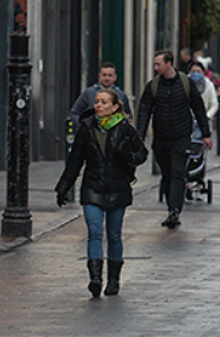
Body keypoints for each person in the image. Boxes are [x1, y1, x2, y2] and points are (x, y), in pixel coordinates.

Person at [55, 89, 148, 298]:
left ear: (115, 107)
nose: (98, 105)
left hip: (117, 187)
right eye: (97, 102)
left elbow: (142, 154)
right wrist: (63, 186)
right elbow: (75, 161)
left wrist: (127, 156)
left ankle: (114, 280)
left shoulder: (125, 128)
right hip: (92, 187)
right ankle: (95, 278)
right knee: (95, 232)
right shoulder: (86, 128)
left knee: (114, 235)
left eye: (104, 102)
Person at [136, 50, 212, 229]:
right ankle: (172, 208)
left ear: (169, 64)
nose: (156, 68)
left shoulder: (186, 84)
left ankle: (174, 211)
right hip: (161, 138)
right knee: (167, 174)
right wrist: (139, 137)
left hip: (181, 137)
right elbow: (144, 110)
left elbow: (199, 108)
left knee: (178, 172)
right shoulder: (153, 86)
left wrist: (206, 134)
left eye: (158, 64)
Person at [189, 62, 219, 136]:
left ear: (203, 72)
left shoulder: (209, 85)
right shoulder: (184, 83)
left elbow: (214, 104)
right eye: (193, 71)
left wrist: (207, 116)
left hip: (204, 122)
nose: (196, 73)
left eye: (198, 71)